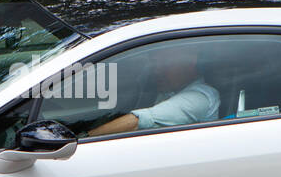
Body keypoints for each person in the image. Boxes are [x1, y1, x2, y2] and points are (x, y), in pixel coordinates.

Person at [85, 45, 219, 137]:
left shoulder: (200, 97)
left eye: (164, 63)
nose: (157, 70)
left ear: (191, 62)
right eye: (155, 63)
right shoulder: (169, 87)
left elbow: (141, 120)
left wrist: (85, 137)